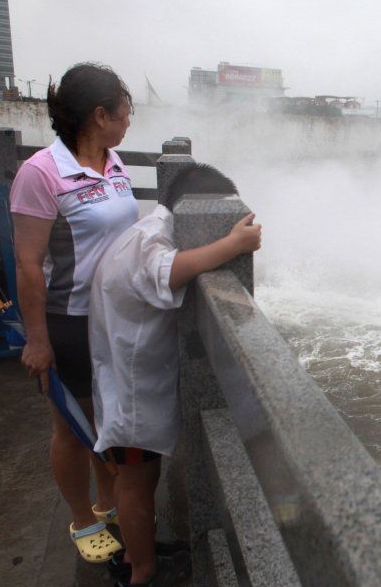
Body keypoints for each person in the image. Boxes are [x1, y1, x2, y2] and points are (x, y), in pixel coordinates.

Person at [88, 164, 262, 587]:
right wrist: (232, 242)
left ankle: (136, 550)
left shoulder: (152, 229)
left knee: (141, 476)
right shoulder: (151, 241)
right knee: (135, 480)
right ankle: (142, 571)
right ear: (184, 211)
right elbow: (169, 271)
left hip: (127, 375)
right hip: (129, 389)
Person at [10, 63, 137, 562]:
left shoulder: (114, 161)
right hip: (70, 319)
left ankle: (107, 502)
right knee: (70, 425)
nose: (129, 120)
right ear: (99, 115)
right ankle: (82, 518)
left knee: (106, 416)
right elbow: (27, 264)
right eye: (124, 112)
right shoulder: (41, 173)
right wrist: (37, 340)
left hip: (116, 318)